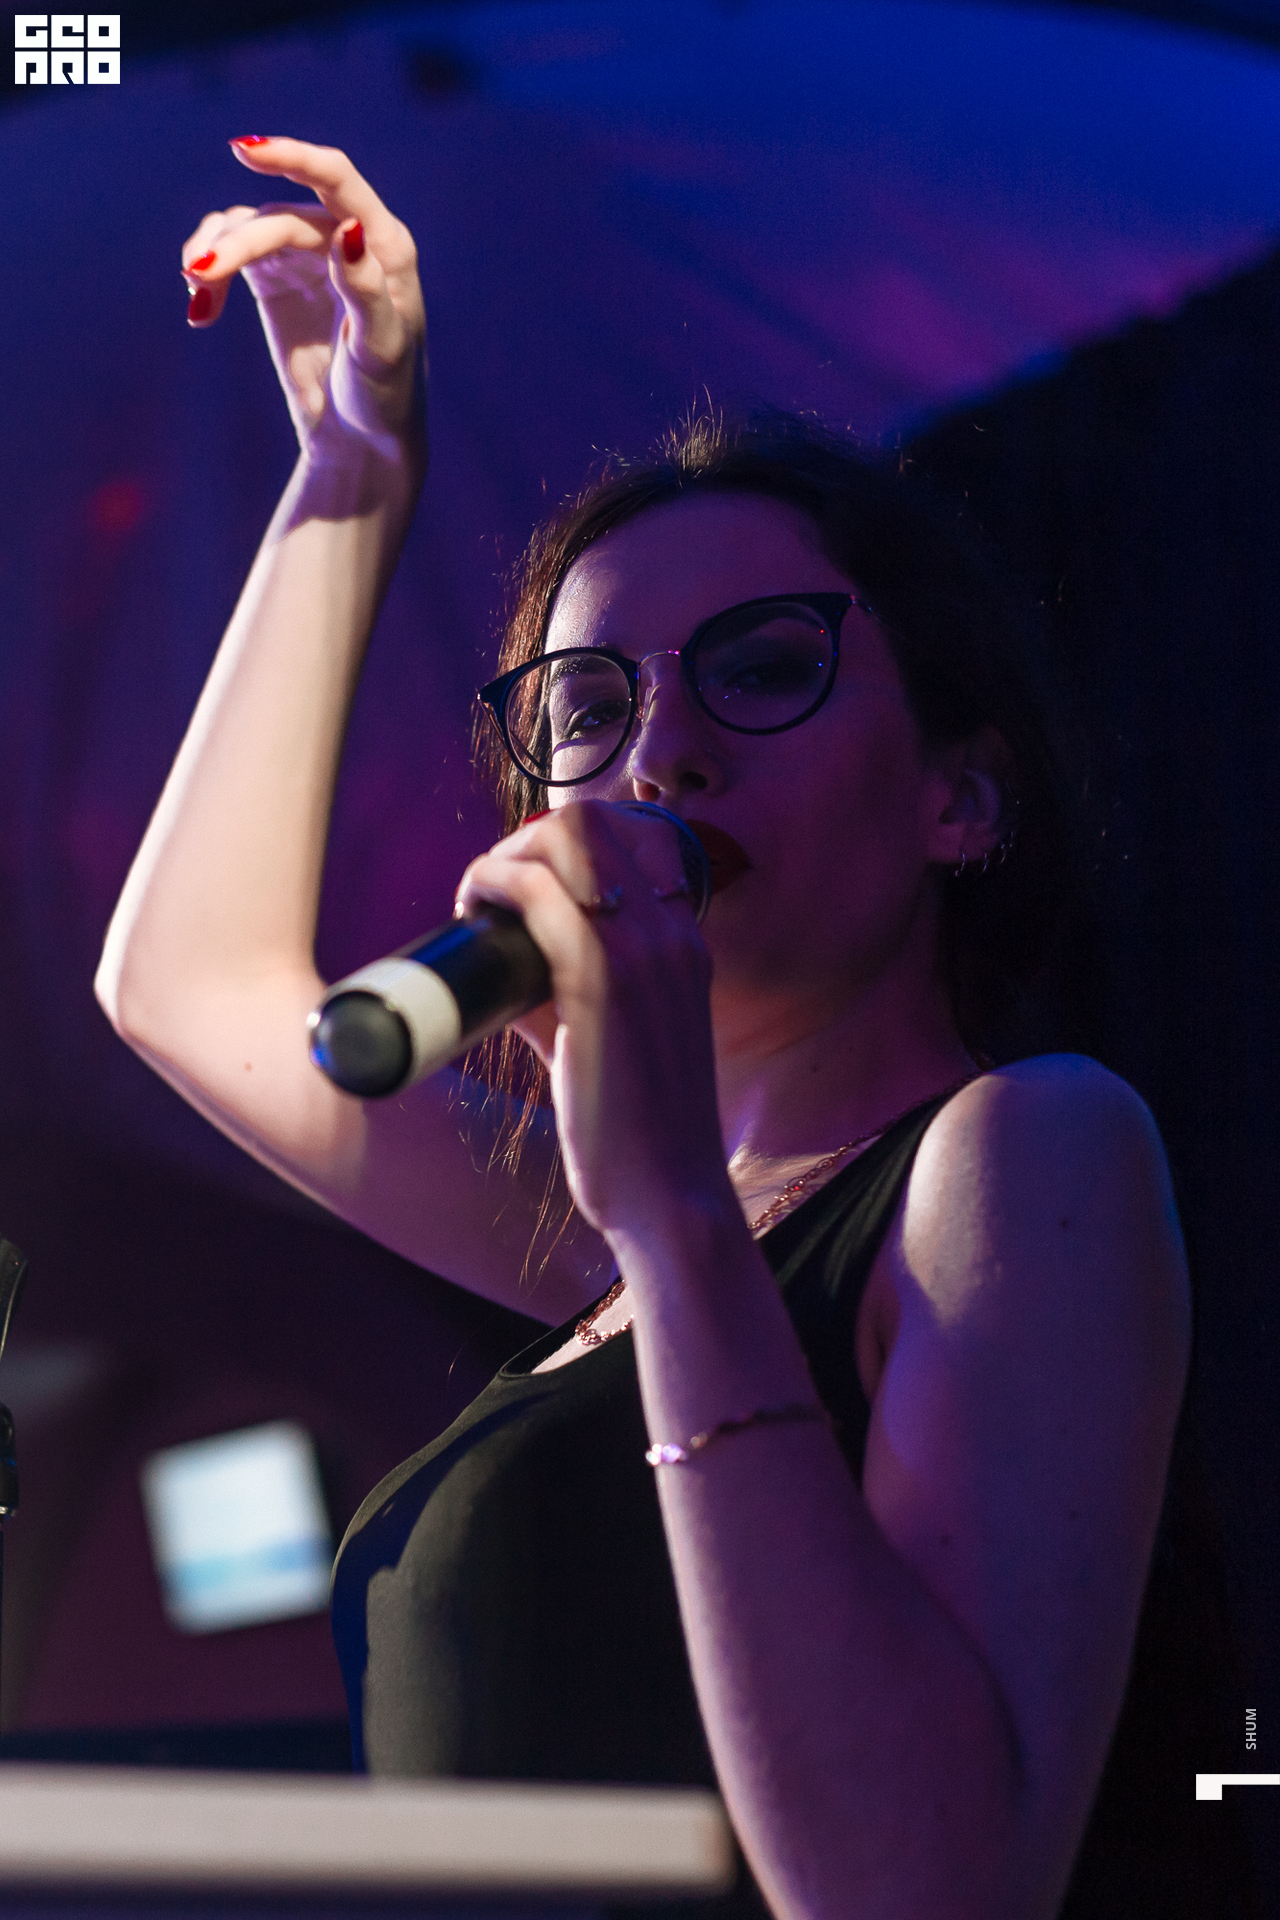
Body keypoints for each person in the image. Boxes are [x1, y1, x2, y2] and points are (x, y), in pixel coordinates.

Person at [95, 139, 1233, 1920]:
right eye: (589, 707)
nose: (662, 756)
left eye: (762, 667)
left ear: (958, 796)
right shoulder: (613, 1248)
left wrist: (675, 1218)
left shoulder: (1022, 1148)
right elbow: (188, 985)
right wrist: (353, 469)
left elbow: (921, 1887)